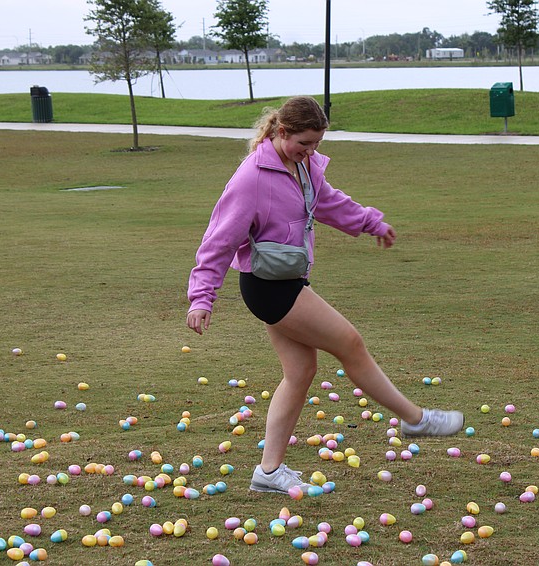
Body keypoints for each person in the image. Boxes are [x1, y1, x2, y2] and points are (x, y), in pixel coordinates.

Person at [186, 96, 463, 495]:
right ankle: (415, 418)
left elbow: (328, 202)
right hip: (268, 287)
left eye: (316, 143)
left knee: (300, 373)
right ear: (282, 131)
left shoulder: (303, 166)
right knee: (350, 342)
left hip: (287, 281)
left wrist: (370, 222)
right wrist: (202, 297)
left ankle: (268, 472)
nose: (311, 151)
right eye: (304, 143)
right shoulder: (251, 179)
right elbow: (219, 239)